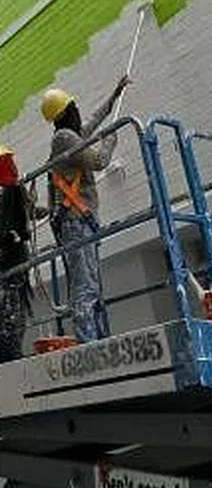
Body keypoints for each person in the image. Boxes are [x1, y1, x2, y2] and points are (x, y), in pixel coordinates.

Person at [41, 77, 129, 343]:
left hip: (80, 222)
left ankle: (99, 339)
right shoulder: (65, 138)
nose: (78, 110)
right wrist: (111, 137)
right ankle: (90, 343)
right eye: (73, 107)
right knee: (86, 287)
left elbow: (90, 124)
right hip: (76, 222)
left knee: (92, 285)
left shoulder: (68, 135)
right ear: (66, 112)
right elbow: (100, 160)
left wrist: (114, 96)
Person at [0, 147, 32, 362]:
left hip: (13, 259)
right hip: (11, 261)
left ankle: (10, 354)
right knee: (12, 312)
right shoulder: (11, 191)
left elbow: (23, 216)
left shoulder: (13, 190)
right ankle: (10, 355)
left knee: (13, 311)